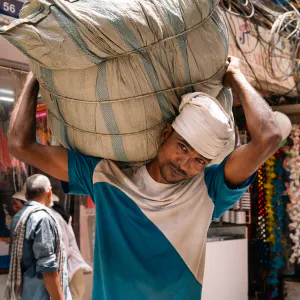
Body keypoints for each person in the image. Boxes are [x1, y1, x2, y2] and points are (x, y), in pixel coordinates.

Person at [7, 56, 282, 300]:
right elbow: (21, 146)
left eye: (199, 160)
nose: (184, 164)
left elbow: (269, 136)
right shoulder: (104, 176)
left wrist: (235, 76)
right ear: (165, 133)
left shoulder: (208, 190)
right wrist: (35, 73)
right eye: (182, 147)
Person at [5, 174, 71, 300]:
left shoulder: (18, 217)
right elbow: (48, 269)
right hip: (43, 295)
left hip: (25, 294)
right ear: (49, 192)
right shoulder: (43, 218)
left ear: (26, 196)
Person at [51, 202, 93, 300]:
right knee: (77, 294)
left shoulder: (53, 218)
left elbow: (64, 246)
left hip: (69, 264)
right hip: (74, 263)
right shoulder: (58, 215)